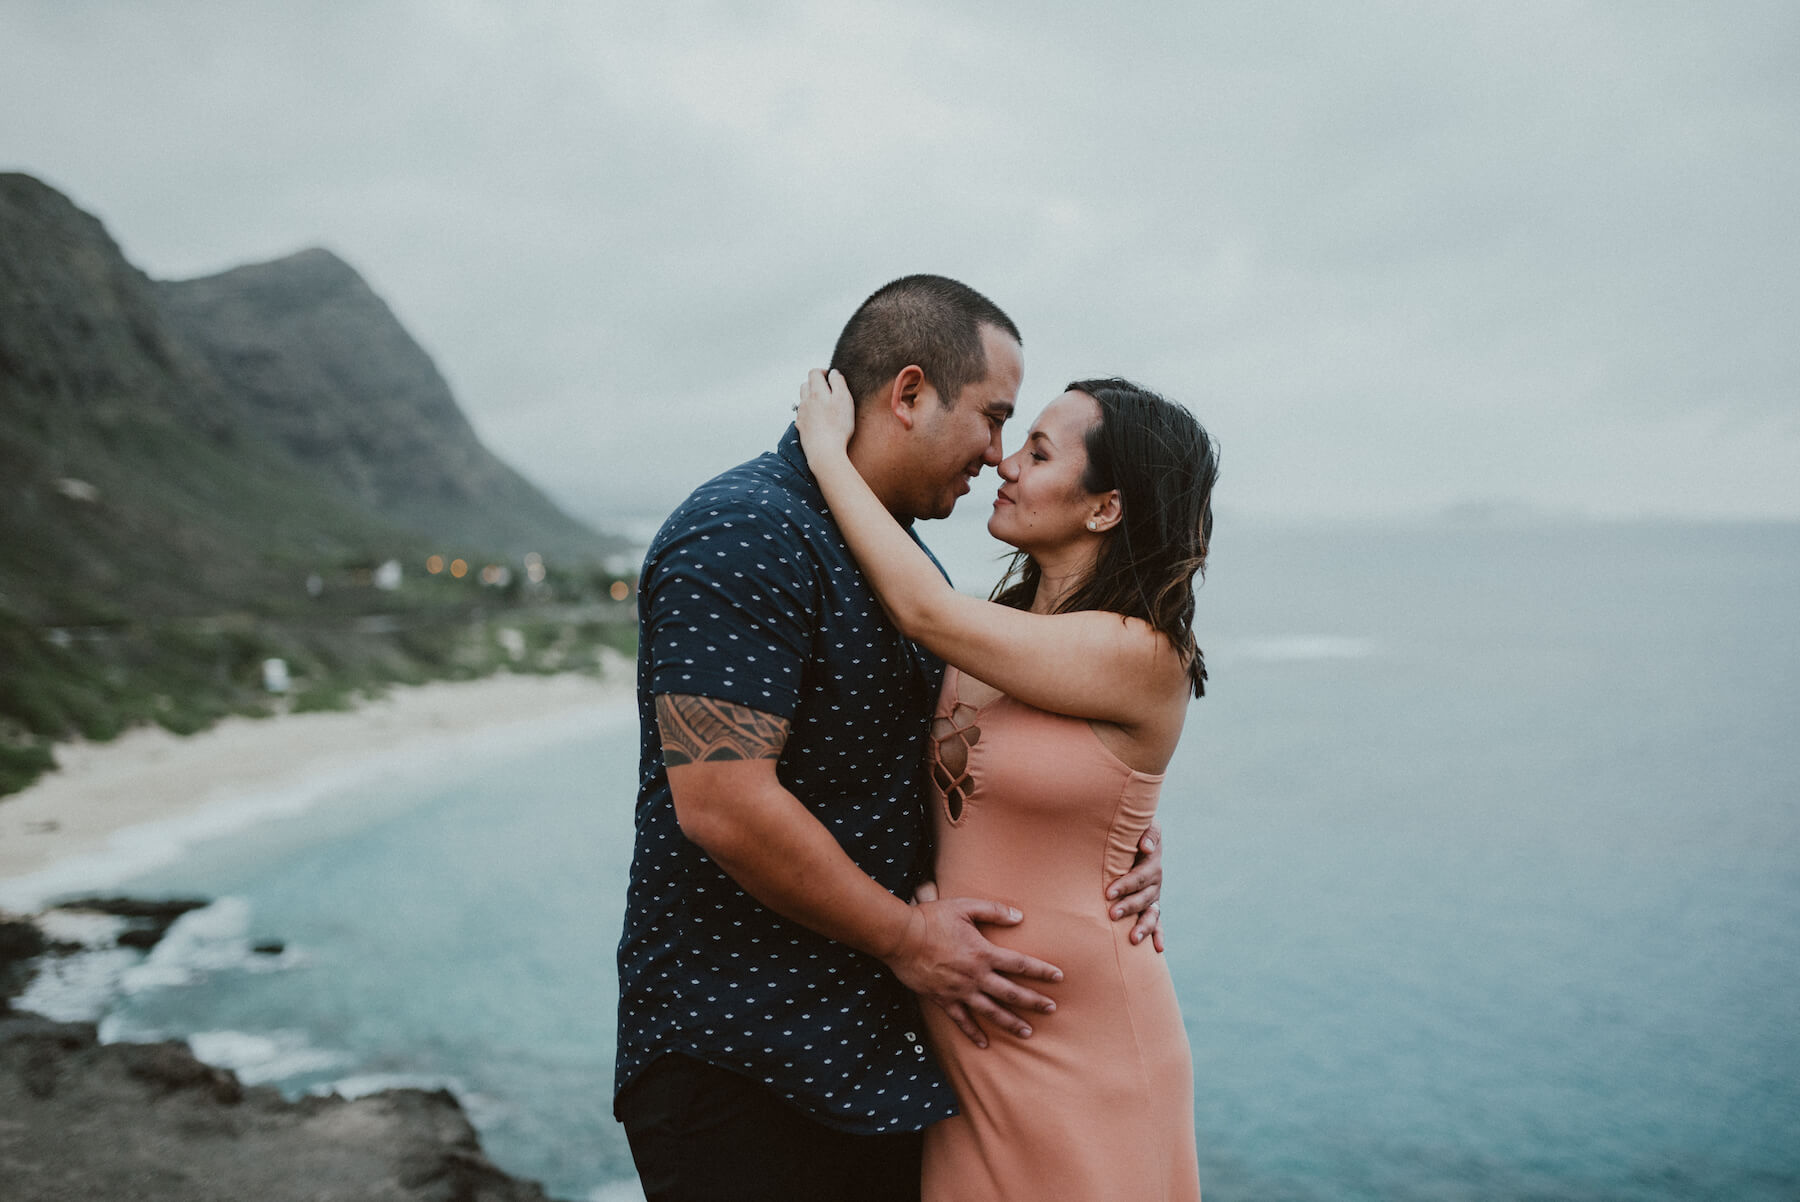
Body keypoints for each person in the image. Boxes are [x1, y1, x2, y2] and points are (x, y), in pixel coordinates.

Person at [614, 275, 1166, 1202]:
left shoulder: (897, 553)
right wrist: (911, 939)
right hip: (742, 1058)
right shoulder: (744, 531)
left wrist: (1112, 828)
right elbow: (722, 804)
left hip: (872, 1062)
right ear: (909, 394)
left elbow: (956, 751)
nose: (997, 457)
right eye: (994, 419)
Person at [794, 366, 1217, 1201]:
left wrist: (826, 453)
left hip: (1082, 1045)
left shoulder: (1142, 652)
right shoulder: (1008, 624)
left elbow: (924, 613)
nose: (1004, 465)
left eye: (1038, 452)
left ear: (1105, 507)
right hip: (971, 1033)